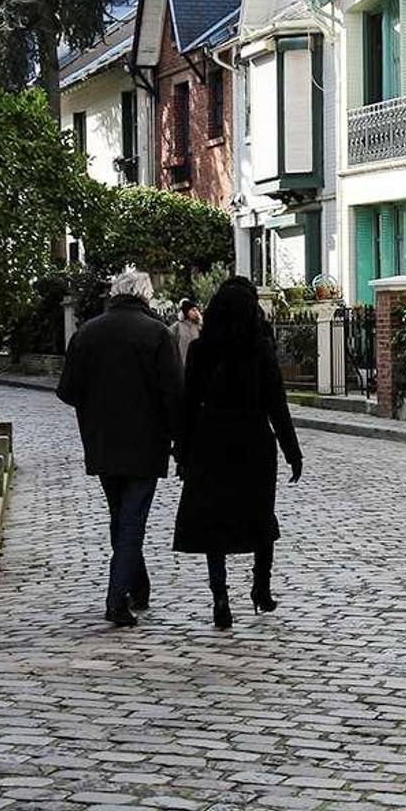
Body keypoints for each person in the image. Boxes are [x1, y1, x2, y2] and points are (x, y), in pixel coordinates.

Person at [56, 268, 183, 628]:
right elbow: (174, 393)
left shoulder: (87, 332)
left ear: (115, 294)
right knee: (131, 520)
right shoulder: (157, 334)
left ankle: (138, 586)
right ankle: (117, 599)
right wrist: (180, 440)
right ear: (145, 296)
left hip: (102, 441)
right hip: (146, 443)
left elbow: (67, 391)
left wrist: (97, 406)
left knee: (122, 517)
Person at [173, 277, 302, 629]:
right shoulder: (260, 350)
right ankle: (261, 587)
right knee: (260, 515)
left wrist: (181, 451)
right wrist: (293, 451)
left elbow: (187, 405)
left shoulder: (202, 351)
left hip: (210, 440)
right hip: (253, 442)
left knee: (214, 521)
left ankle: (220, 598)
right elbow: (277, 404)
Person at [173, 299, 202, 366]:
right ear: (186, 311)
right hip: (181, 364)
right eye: (193, 310)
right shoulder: (177, 326)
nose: (196, 312)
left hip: (196, 363)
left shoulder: (199, 326)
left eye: (196, 310)